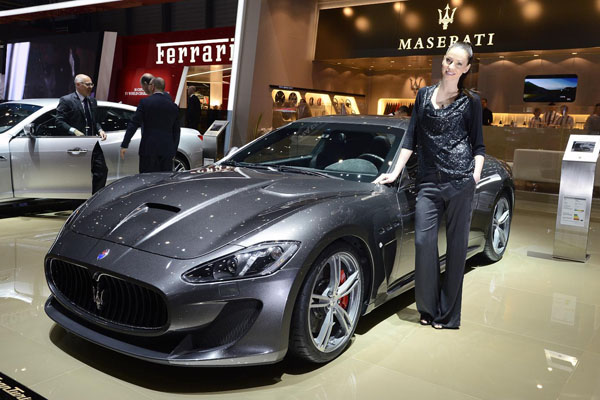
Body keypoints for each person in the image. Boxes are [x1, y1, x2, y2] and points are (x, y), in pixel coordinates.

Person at [374, 41, 485, 330]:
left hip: (460, 182)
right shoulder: (423, 95)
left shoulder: (471, 102)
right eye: (448, 60)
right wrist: (394, 172)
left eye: (458, 63)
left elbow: (479, 146)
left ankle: (447, 315)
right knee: (424, 243)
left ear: (466, 69)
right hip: (429, 182)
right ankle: (427, 307)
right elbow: (411, 138)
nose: (451, 67)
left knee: (457, 248)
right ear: (442, 61)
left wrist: (474, 176)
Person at [55, 74, 108, 194]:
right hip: (75, 144)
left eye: (91, 84)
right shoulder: (66, 100)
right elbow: (59, 121)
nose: (91, 87)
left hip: (92, 142)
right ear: (78, 85)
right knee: (78, 174)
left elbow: (95, 120)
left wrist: (100, 130)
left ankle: (96, 199)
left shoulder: (92, 101)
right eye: (87, 84)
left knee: (101, 171)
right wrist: (74, 131)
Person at [120, 77, 181, 173]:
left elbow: (134, 124)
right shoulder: (173, 107)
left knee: (147, 179)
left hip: (148, 149)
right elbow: (177, 131)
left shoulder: (145, 102)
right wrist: (173, 151)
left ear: (153, 87)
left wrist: (125, 144)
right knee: (164, 179)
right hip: (167, 151)